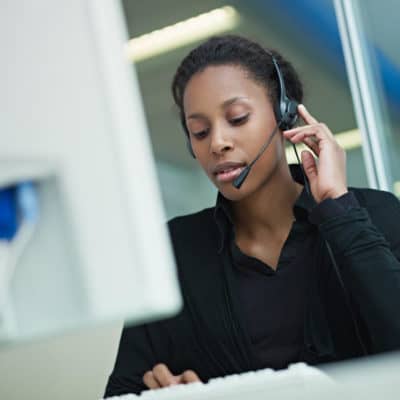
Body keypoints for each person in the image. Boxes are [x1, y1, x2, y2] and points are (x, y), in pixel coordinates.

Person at [104, 35, 400, 397]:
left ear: (284, 114)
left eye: (237, 118)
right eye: (199, 131)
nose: (217, 143)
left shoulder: (375, 215)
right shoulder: (176, 252)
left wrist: (338, 208)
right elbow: (121, 393)